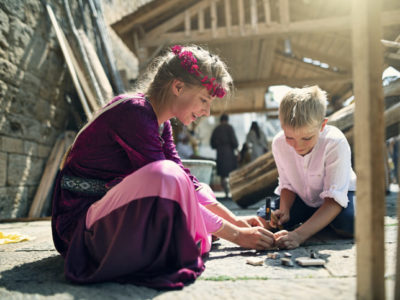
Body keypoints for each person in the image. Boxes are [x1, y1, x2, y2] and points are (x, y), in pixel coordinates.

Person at [52, 44, 275, 290]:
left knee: (198, 188)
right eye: (203, 100)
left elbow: (188, 183)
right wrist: (237, 236)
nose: (207, 111)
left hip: (108, 212)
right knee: (167, 175)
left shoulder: (161, 123)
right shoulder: (133, 112)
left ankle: (192, 233)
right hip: (81, 228)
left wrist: (237, 222)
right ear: (178, 87)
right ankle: (191, 234)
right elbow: (166, 183)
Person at [257, 85, 356, 249]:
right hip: (302, 199)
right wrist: (285, 209)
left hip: (337, 199)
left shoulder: (335, 142)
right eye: (290, 137)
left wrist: (299, 235)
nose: (298, 146)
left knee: (349, 223)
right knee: (264, 216)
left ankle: (315, 224)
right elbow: (287, 184)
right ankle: (314, 222)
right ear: (282, 126)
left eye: (307, 138)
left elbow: (334, 199)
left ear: (322, 126)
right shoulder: (279, 143)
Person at [210, 114, 239, 199]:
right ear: (227, 119)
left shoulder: (216, 129)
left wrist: (219, 146)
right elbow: (234, 142)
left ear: (220, 120)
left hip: (220, 154)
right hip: (229, 153)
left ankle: (226, 193)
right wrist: (237, 151)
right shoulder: (229, 128)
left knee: (223, 175)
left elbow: (212, 144)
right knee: (231, 174)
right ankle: (233, 192)